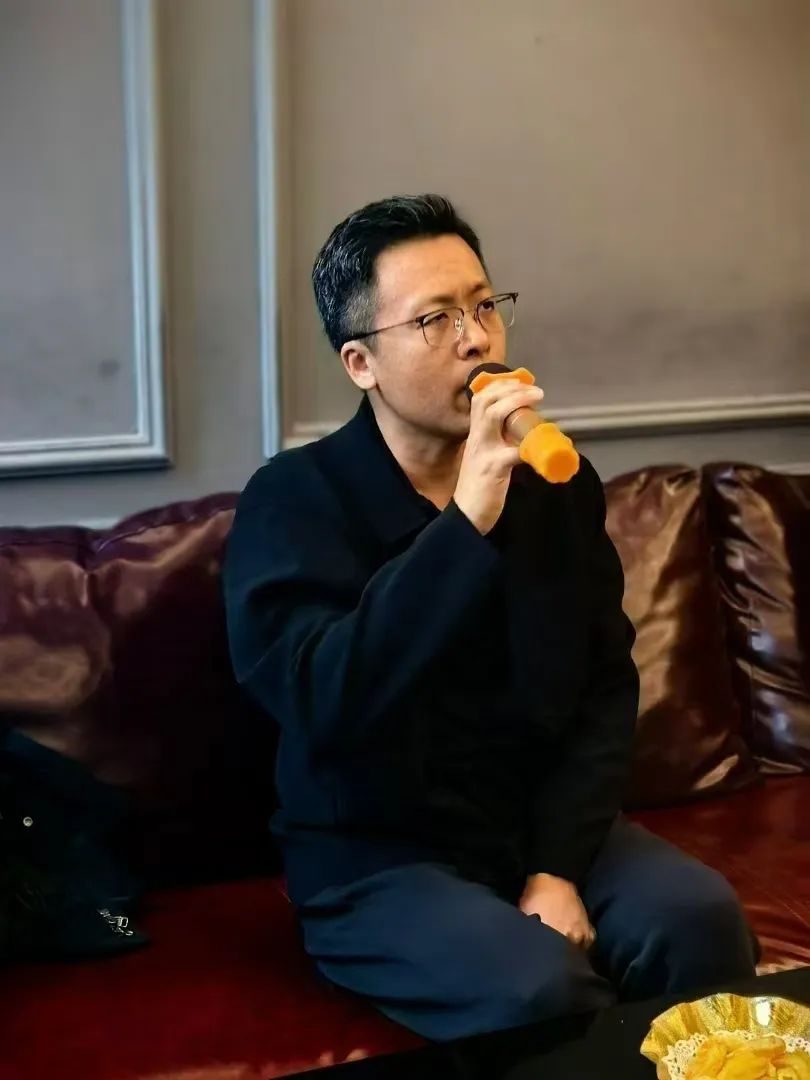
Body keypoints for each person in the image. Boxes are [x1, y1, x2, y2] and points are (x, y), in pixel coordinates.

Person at [223, 194, 756, 1041]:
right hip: (379, 854)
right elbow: (327, 701)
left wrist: (556, 867)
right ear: (361, 363)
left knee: (700, 921)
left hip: (535, 825)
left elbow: (604, 686)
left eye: (483, 306)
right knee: (535, 989)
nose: (475, 339)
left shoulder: (555, 486)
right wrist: (465, 519)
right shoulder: (291, 501)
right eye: (434, 320)